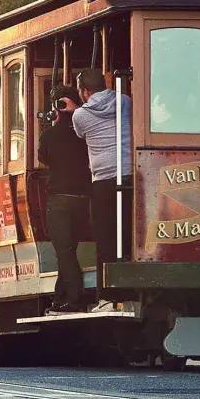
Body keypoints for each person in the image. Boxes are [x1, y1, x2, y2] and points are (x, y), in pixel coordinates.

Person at [71, 69, 132, 311]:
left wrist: (74, 107)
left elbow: (80, 134)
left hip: (104, 181)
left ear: (84, 91)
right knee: (129, 236)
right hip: (130, 175)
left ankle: (107, 296)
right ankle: (133, 290)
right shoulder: (125, 102)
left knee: (105, 240)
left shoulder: (80, 115)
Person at [37, 85, 92, 314]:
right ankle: (60, 297)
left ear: (57, 106)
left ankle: (76, 299)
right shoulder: (86, 131)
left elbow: (44, 159)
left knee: (64, 251)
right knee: (67, 251)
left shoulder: (50, 134)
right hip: (83, 199)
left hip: (59, 200)